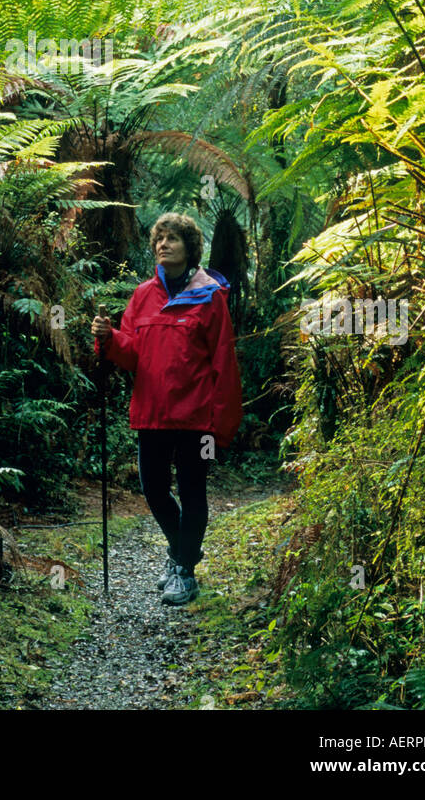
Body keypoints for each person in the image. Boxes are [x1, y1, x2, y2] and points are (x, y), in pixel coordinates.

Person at [91, 211, 242, 605]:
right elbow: (131, 354)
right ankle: (182, 551)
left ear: (190, 248)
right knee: (153, 488)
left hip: (196, 416)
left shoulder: (209, 297)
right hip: (153, 411)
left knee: (192, 491)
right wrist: (109, 339)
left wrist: (222, 423)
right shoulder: (143, 295)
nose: (163, 244)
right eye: (159, 239)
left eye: (172, 238)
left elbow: (223, 360)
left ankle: (184, 572)